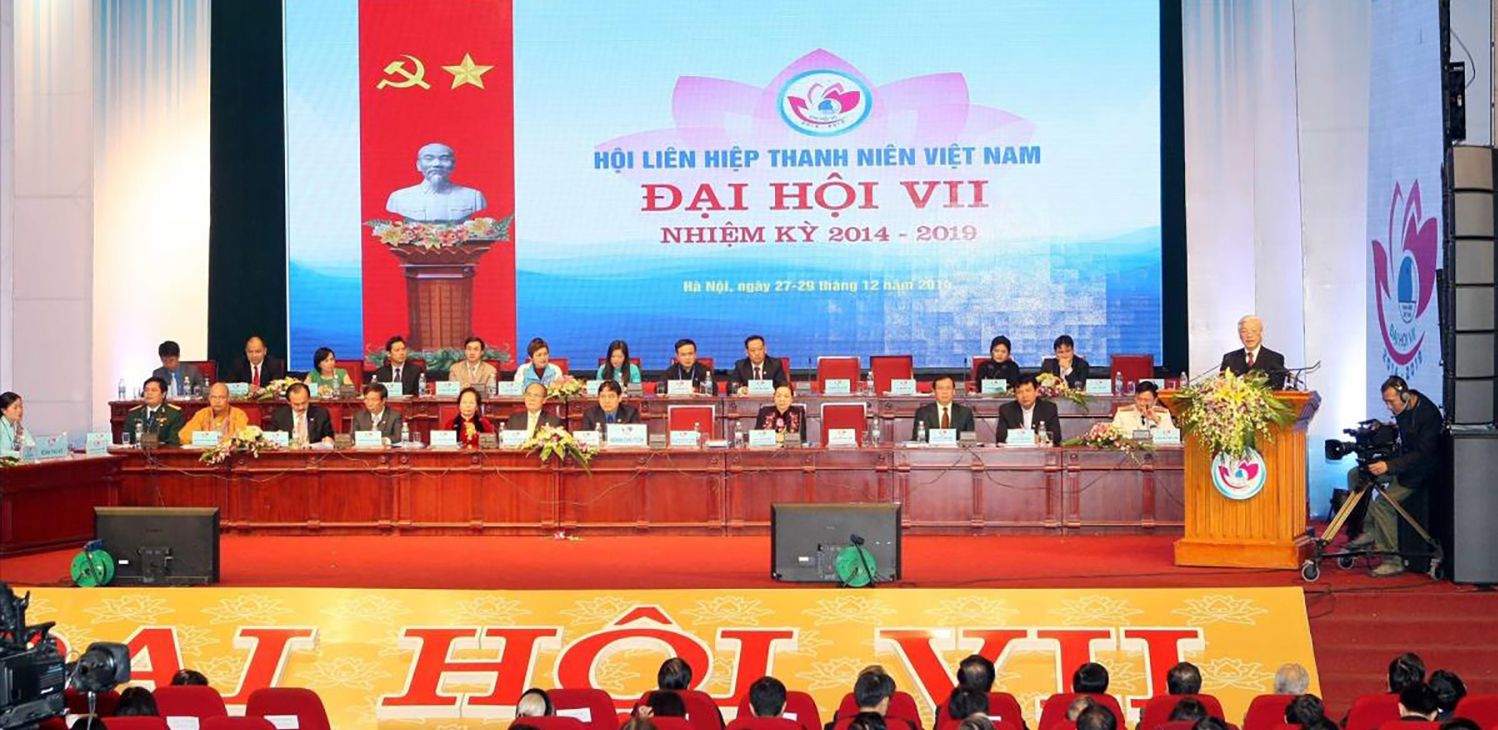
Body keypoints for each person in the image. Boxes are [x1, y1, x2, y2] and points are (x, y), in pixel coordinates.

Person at [1348, 378, 1443, 576]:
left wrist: (1389, 466)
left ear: (1405, 396)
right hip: (1402, 464)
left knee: (1384, 504)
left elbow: (1422, 454)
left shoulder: (1428, 414)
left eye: (1391, 402)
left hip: (1420, 471)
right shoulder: (1403, 410)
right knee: (1356, 474)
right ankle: (1371, 531)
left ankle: (1392, 560)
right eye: (1386, 402)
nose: (1389, 407)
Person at [386, 142, 487, 223]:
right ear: (418, 165)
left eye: (444, 159)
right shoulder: (399, 197)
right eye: (429, 159)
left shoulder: (473, 197)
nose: (437, 164)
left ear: (453, 165)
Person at [1218, 315, 1287, 388]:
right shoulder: (1229, 358)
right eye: (1244, 331)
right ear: (1240, 335)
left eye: (1254, 331)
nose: (1249, 335)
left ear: (1261, 333)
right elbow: (1222, 386)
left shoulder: (1275, 358)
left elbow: (1277, 387)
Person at [996, 376, 1063, 445]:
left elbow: (1056, 437)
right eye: (1019, 392)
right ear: (1015, 395)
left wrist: (1040, 438)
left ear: (1036, 391)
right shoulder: (1006, 410)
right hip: (1016, 450)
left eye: (1028, 391)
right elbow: (1000, 437)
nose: (1024, 396)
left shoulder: (1049, 409)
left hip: (1040, 450)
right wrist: (1026, 438)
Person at [178, 383, 249, 443]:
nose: (217, 401)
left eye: (221, 397)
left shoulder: (239, 414)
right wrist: (211, 439)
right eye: (214, 397)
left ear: (228, 398)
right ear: (209, 398)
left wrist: (214, 439)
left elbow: (241, 437)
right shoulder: (202, 414)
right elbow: (184, 435)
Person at [123, 378, 186, 446]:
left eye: (154, 390)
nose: (149, 393)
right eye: (146, 390)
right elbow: (127, 439)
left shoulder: (174, 414)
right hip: (137, 451)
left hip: (163, 452)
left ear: (163, 394)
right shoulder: (134, 413)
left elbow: (174, 441)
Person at [270, 383, 335, 447]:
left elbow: (329, 436)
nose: (301, 407)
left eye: (304, 403)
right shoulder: (279, 415)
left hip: (313, 452)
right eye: (296, 404)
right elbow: (270, 440)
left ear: (309, 399)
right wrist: (277, 437)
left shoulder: (321, 414)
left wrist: (329, 440)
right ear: (289, 402)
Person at [912, 375, 975, 441]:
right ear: (934, 391)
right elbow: (917, 439)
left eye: (948, 388)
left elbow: (969, 440)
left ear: (954, 391)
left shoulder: (965, 413)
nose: (944, 392)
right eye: (940, 388)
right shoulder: (923, 413)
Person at [1111, 381, 1175, 433]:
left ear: (1155, 401)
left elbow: (1172, 435)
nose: (1142, 403)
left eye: (1146, 400)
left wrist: (1157, 420)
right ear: (1135, 397)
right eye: (1139, 399)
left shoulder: (1163, 414)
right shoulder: (1123, 413)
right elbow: (1113, 434)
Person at [0, 393, 34, 457]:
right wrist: (18, 454)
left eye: (21, 407)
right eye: (15, 408)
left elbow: (31, 445)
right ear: (3, 410)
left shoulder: (19, 427)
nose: (20, 410)